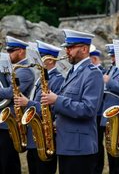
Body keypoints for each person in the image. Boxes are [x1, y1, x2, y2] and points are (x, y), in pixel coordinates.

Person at [40, 29, 104, 174]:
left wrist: (56, 100)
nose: (66, 51)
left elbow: (88, 109)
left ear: (84, 48)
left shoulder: (93, 74)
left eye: (70, 47)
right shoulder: (72, 71)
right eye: (66, 47)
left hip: (79, 149)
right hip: (67, 144)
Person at [14, 40, 64, 174]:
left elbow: (53, 108)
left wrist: (27, 103)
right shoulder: (41, 78)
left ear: (49, 60)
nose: (36, 61)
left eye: (40, 57)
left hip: (45, 136)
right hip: (35, 137)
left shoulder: (57, 79)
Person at [0, 36, 35, 174]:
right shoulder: (14, 68)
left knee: (8, 161)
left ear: (21, 51)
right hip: (5, 121)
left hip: (11, 122)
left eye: (11, 51)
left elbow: (11, 92)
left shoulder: (25, 70)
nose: (8, 55)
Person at [101, 44, 119, 174]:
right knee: (109, 151)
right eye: (111, 56)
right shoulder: (111, 68)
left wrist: (109, 81)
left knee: (118, 154)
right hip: (108, 115)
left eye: (114, 56)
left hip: (118, 115)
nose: (112, 58)